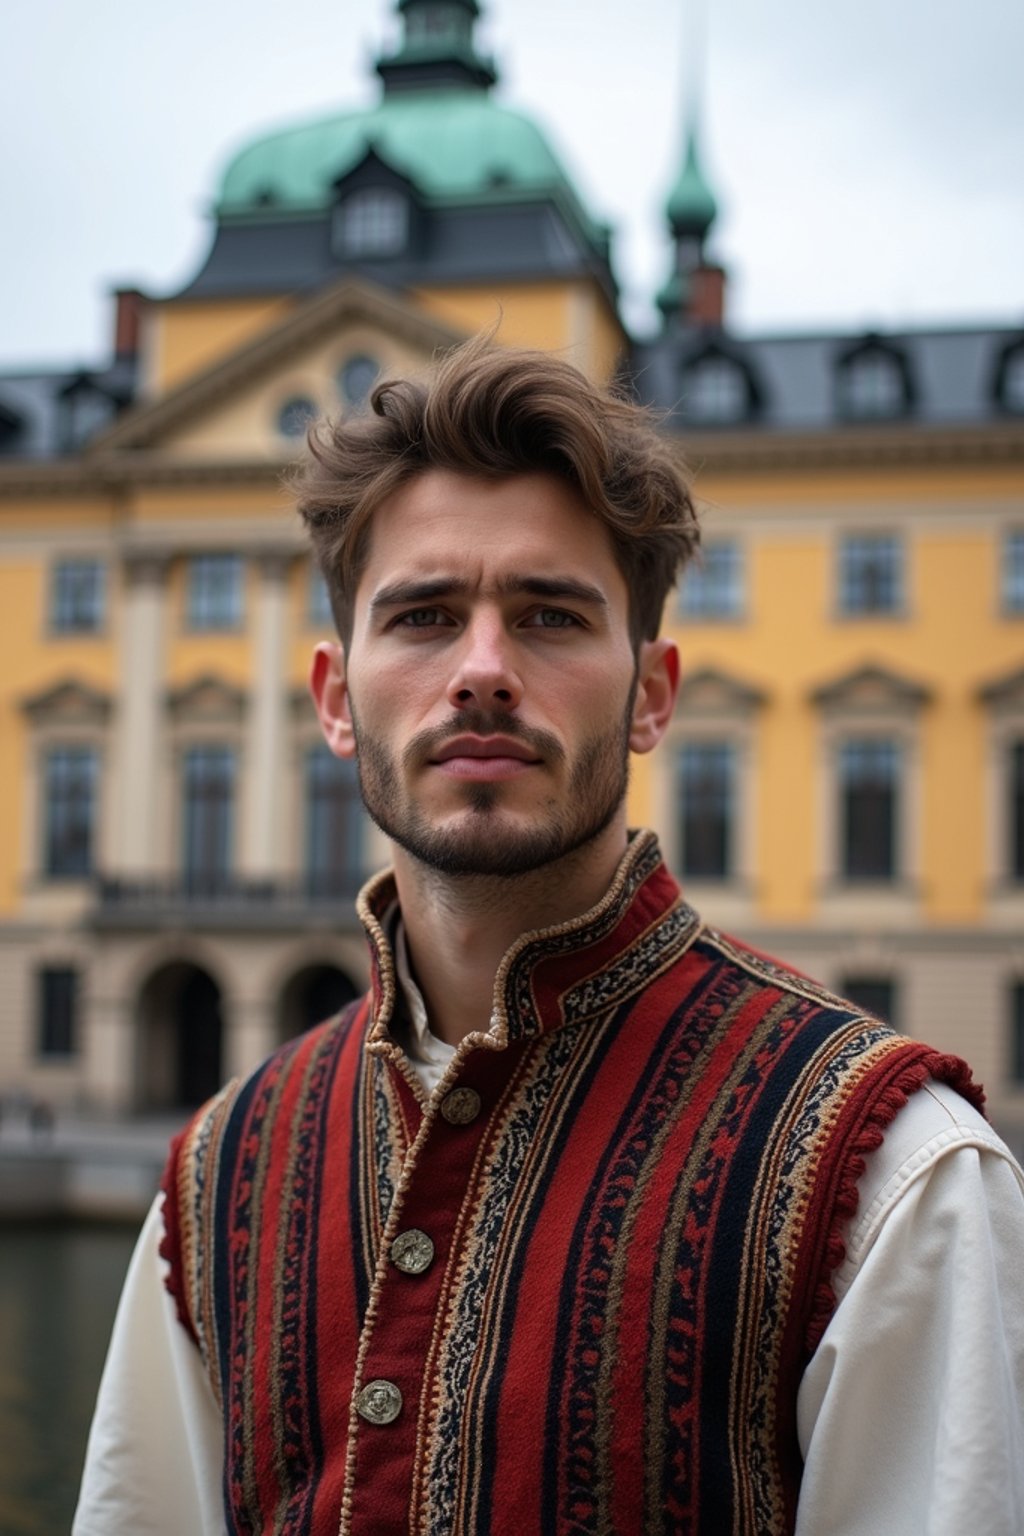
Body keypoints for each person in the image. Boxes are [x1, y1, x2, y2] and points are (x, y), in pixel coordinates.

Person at [75, 338, 1024, 1536]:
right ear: (332, 696)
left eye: (549, 616)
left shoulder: (894, 1175)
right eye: (421, 615)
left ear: (651, 694)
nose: (481, 670)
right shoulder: (218, 1178)